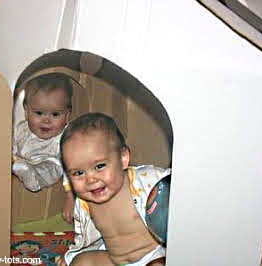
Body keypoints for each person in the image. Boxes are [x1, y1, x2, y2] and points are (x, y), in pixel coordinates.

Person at [56, 112, 171, 266]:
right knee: (81, 263)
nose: (90, 180)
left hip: (153, 256)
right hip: (115, 260)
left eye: (99, 166)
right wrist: (70, 258)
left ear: (123, 159)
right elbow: (83, 239)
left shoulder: (145, 181)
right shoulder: (84, 203)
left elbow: (175, 183)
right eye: (78, 173)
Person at [12, 73, 74, 223]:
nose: (46, 120)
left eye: (55, 114)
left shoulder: (66, 138)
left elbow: (73, 168)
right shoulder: (21, 129)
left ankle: (33, 178)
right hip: (22, 163)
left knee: (51, 167)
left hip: (50, 165)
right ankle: (24, 171)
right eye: (38, 113)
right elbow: (12, 146)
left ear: (67, 115)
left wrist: (70, 196)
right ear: (26, 111)